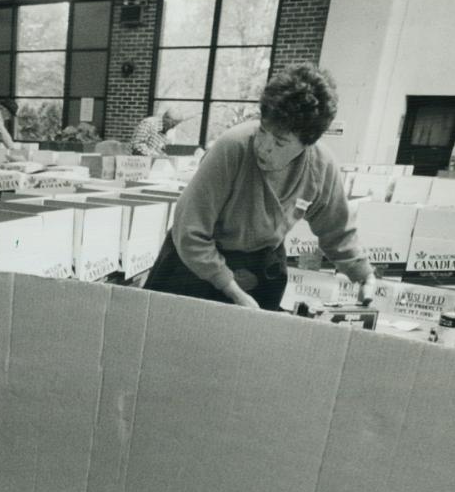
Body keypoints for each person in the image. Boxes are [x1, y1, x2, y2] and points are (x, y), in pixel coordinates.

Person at [145, 63, 374, 312]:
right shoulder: (232, 147)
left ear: (307, 143)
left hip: (259, 265)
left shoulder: (321, 167)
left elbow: (336, 229)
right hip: (194, 263)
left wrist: (362, 274)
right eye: (263, 131)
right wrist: (231, 290)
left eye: (279, 142)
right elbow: (190, 231)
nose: (264, 146)